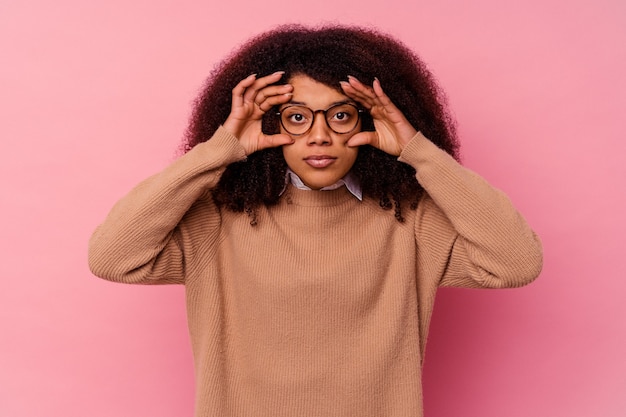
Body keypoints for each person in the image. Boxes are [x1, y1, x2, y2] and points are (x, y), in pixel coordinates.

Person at [89, 24, 543, 417]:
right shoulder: (218, 219)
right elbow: (113, 257)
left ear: (372, 122)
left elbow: (516, 263)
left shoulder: (411, 220)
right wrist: (218, 149)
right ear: (268, 124)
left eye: (341, 115)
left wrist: (418, 150)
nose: (320, 135)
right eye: (297, 117)